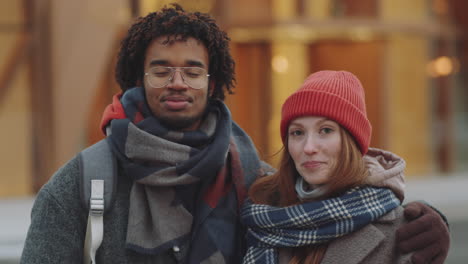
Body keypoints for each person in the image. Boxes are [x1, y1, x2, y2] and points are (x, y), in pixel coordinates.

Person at [21, 4, 449, 264]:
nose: (177, 82)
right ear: (137, 78)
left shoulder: (254, 179)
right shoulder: (80, 184)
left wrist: (429, 222)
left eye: (192, 70)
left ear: (213, 82)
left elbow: (340, 213)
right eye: (160, 69)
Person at [241, 70, 449, 264]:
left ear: (352, 141)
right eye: (297, 132)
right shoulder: (262, 212)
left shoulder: (403, 230)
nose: (309, 147)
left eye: (325, 130)